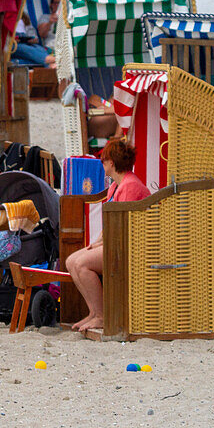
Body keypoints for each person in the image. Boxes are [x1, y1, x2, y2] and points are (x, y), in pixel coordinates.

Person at [67, 139, 150, 334]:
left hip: (130, 246)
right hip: (117, 241)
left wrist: (101, 244)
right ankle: (94, 312)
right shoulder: (115, 186)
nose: (102, 164)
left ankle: (102, 317)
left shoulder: (130, 186)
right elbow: (109, 223)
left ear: (112, 162)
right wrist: (97, 243)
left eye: (103, 161)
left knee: (81, 264)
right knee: (71, 261)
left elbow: (124, 225)